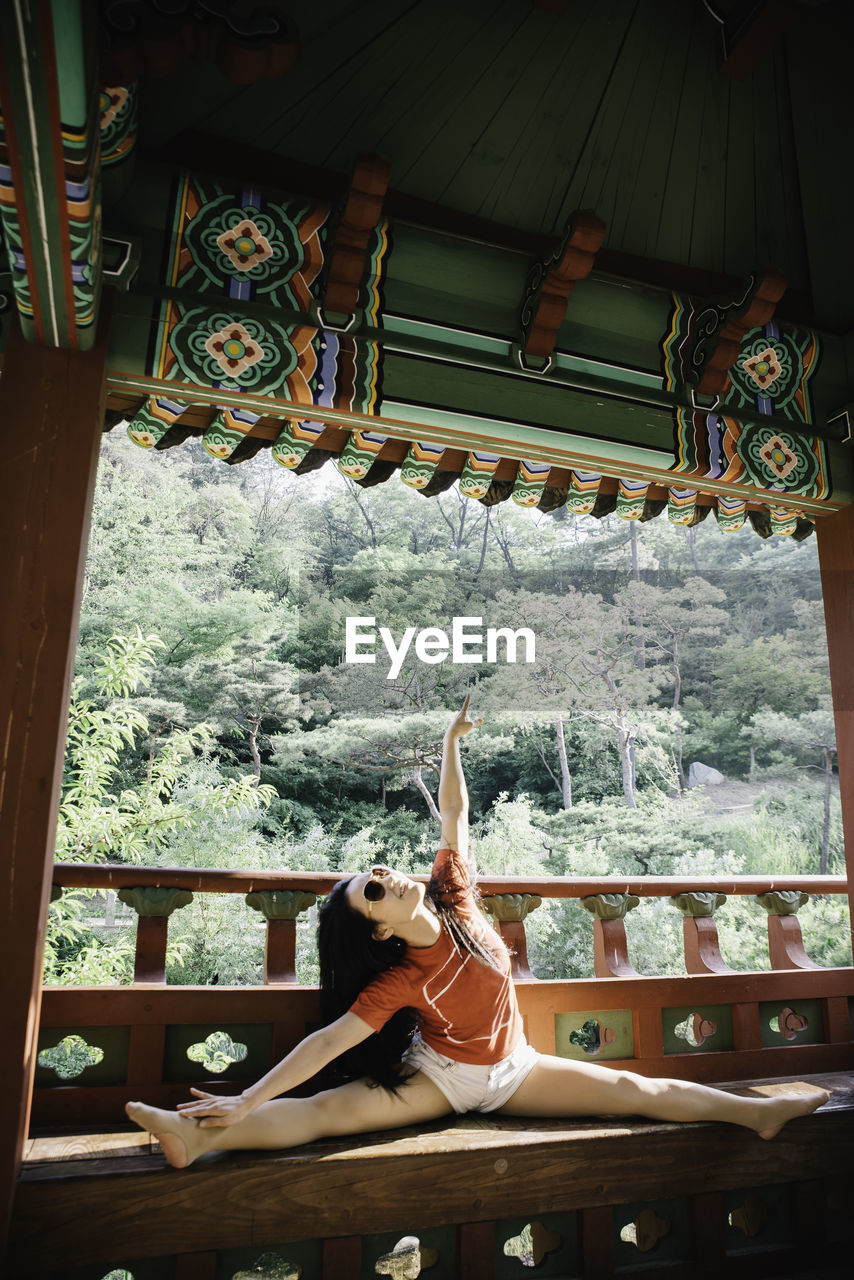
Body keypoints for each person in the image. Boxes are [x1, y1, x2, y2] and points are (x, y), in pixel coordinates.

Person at [126, 697, 828, 1169]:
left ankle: (755, 1115)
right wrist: (247, 1098)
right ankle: (192, 1135)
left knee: (638, 1093)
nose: (384, 877)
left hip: (516, 1070)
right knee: (321, 1116)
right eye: (371, 893)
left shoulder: (456, 899)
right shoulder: (406, 976)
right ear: (378, 932)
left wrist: (448, 743)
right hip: (445, 1078)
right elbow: (330, 1040)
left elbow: (455, 815)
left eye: (376, 870)